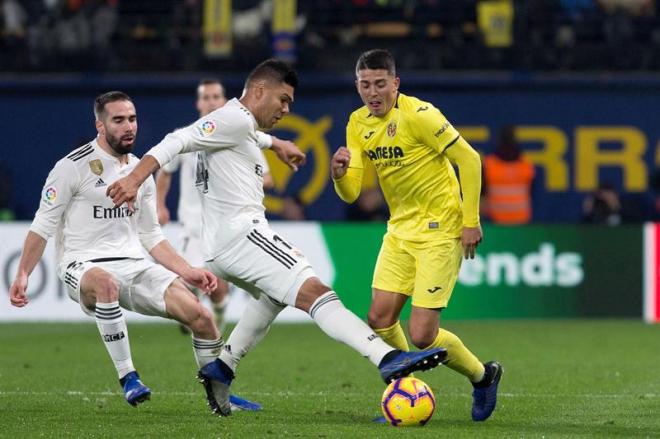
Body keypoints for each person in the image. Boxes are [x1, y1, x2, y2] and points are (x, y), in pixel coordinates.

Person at [107, 59, 447, 417]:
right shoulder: (233, 118)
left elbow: (245, 132)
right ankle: (388, 358)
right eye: (282, 100)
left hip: (222, 243)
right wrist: (134, 179)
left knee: (273, 296)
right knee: (317, 292)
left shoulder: (240, 125)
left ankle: (222, 367)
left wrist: (276, 143)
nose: (286, 109)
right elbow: (177, 140)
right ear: (258, 92)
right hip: (243, 236)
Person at [8, 91, 258, 413]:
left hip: (135, 264)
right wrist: (23, 273)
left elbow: (151, 236)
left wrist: (187, 271)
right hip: (82, 264)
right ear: (100, 125)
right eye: (119, 120)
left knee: (202, 318)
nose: (129, 127)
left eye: (133, 119)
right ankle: (129, 377)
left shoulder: (141, 172)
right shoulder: (71, 167)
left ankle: (221, 401)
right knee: (105, 284)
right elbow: (43, 224)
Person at [330, 49, 502, 422]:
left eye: (380, 84)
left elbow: (470, 159)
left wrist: (470, 221)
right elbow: (352, 192)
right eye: (365, 85)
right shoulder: (357, 123)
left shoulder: (420, 115)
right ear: (357, 86)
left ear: (395, 83)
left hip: (441, 230)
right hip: (399, 231)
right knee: (378, 318)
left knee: (423, 336)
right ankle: (404, 391)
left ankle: (483, 376)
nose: (373, 92)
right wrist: (340, 174)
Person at [155, 78, 273, 335]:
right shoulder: (185, 137)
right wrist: (160, 205)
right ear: (199, 103)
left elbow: (266, 176)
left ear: (224, 100)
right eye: (206, 97)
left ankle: (215, 321)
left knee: (218, 286)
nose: (211, 102)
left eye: (216, 97)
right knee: (192, 280)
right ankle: (196, 312)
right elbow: (165, 171)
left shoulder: (241, 134)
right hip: (194, 225)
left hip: (227, 222)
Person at [482, 125, 535, 224]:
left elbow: (481, 195)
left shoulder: (488, 165)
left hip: (501, 221)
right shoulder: (526, 165)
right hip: (510, 221)